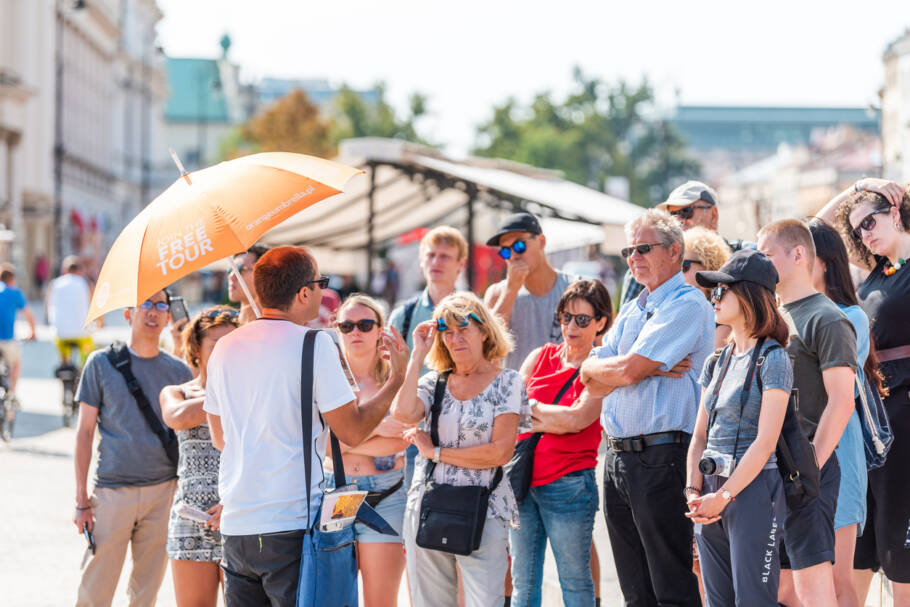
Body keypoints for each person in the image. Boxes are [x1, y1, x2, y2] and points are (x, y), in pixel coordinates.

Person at [203, 246, 408, 605]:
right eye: (319, 283)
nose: (321, 291)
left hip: (238, 525)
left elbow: (220, 437)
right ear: (303, 293)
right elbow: (353, 430)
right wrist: (396, 380)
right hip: (292, 523)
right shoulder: (315, 344)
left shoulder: (223, 348)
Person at [580, 209, 715, 607]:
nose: (633, 257)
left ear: (675, 251)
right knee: (636, 591)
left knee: (671, 587)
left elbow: (626, 368)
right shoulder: (634, 306)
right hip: (620, 457)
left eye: (643, 248)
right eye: (628, 250)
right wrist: (608, 367)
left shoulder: (687, 303)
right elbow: (589, 371)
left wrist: (623, 369)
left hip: (662, 454)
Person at [391, 292, 529, 607]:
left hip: (484, 509)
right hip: (429, 506)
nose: (454, 338)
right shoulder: (435, 382)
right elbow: (402, 412)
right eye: (447, 331)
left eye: (463, 328)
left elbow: (500, 453)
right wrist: (417, 354)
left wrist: (435, 453)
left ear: (484, 331)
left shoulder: (507, 382)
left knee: (486, 602)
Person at [816, 178, 910, 603]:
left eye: (870, 220)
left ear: (895, 211)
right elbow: (813, 231)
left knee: (899, 550)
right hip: (869, 421)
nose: (864, 233)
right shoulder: (873, 274)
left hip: (905, 419)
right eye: (857, 230)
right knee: (860, 548)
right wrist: (858, 186)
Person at [756, 219, 858, 607]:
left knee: (813, 590)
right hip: (771, 469)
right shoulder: (773, 315)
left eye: (766, 255)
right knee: (783, 591)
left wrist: (808, 466)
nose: (760, 265)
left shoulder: (826, 317)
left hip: (808, 470)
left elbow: (841, 401)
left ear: (798, 254)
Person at [683, 250, 792, 605]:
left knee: (754, 600)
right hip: (710, 491)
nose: (713, 299)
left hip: (753, 490)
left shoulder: (774, 358)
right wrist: (693, 491)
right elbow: (699, 435)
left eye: (720, 291)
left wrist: (723, 496)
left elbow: (765, 443)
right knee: (717, 601)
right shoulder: (717, 360)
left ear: (748, 296)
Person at [73, 289, 193, 607]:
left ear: (168, 316)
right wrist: (81, 499)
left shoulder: (180, 372)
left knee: (147, 592)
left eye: (160, 305)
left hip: (163, 492)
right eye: (145, 304)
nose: (153, 312)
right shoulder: (100, 364)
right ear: (128, 314)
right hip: (113, 492)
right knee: (94, 590)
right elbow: (84, 432)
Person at [510, 280, 612, 607]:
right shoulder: (540, 356)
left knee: (574, 581)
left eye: (582, 320)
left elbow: (578, 420)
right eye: (565, 317)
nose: (571, 326)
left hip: (569, 485)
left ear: (601, 323)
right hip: (522, 483)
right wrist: (555, 417)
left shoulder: (600, 365)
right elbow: (511, 410)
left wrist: (534, 410)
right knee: (523, 583)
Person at [807, 218, 878, 607]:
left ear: (823, 261)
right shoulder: (788, 314)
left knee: (838, 582)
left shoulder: (850, 317)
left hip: (839, 452)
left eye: (802, 254)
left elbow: (838, 392)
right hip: (797, 453)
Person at [325, 294, 411, 606]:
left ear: (380, 330)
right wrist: (375, 427)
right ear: (337, 330)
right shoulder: (327, 379)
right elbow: (325, 447)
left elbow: (403, 438)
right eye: (347, 325)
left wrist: (347, 436)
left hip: (387, 493)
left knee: (380, 601)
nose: (355, 332)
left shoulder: (395, 379)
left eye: (364, 324)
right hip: (338, 493)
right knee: (334, 598)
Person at [160, 305, 240, 607]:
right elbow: (177, 417)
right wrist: (227, 394)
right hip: (190, 518)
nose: (226, 353)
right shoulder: (177, 392)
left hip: (238, 514)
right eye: (217, 345)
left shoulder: (252, 391)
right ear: (197, 349)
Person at [388, 226, 468, 489]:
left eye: (445, 256)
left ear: (460, 264)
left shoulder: (474, 313)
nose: (436, 262)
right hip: (415, 435)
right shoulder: (404, 315)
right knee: (417, 518)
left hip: (465, 433)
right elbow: (390, 376)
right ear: (422, 261)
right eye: (431, 255)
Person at [620, 180, 753, 306]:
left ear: (713, 214)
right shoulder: (646, 265)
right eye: (672, 214)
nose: (678, 221)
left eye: (686, 212)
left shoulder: (746, 257)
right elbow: (628, 325)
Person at [483, 212, 577, 371]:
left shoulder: (575, 287)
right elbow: (487, 346)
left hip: (567, 392)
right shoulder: (497, 293)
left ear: (541, 241)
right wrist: (511, 290)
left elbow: (600, 345)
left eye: (519, 246)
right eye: (505, 251)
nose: (512, 256)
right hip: (518, 392)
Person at [683, 227, 734, 350]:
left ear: (707, 264)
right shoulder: (680, 304)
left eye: (684, 266)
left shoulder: (723, 311)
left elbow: (714, 364)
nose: (677, 273)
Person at [46, 255, 93, 367]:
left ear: (64, 270)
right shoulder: (86, 283)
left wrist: (50, 321)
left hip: (61, 332)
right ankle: (83, 370)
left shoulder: (55, 284)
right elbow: (94, 305)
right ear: (80, 270)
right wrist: (100, 323)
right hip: (83, 334)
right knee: (87, 354)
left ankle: (64, 365)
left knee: (63, 353)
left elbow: (48, 305)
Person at [0, 264, 36, 395]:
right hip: (7, 340)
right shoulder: (15, 293)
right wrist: (32, 333)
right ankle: (12, 394)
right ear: (12, 279)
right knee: (16, 364)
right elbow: (29, 316)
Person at [227, 244, 270, 324]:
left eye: (240, 270)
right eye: (230, 270)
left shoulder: (283, 329)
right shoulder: (224, 329)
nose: (231, 276)